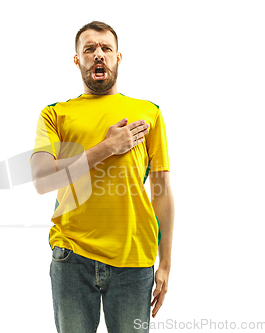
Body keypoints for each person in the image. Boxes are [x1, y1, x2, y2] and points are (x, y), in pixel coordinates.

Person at [30, 21, 174, 333]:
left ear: (118, 57)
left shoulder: (148, 113)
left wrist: (165, 263)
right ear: (77, 59)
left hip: (134, 260)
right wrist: (107, 147)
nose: (99, 55)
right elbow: (42, 181)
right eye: (89, 49)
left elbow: (161, 190)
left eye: (106, 48)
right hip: (72, 258)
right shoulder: (54, 114)